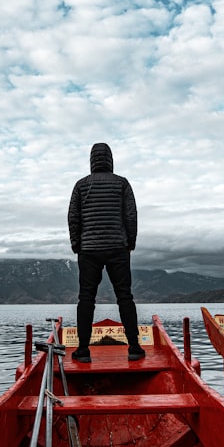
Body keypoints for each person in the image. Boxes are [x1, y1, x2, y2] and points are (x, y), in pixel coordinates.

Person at [67, 142, 145, 362]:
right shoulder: (122, 183)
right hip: (117, 247)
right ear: (110, 159)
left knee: (86, 299)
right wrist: (130, 242)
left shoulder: (81, 185)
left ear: (92, 160)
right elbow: (131, 215)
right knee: (125, 296)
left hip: (88, 250)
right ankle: (135, 348)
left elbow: (73, 217)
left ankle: (83, 350)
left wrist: (77, 245)